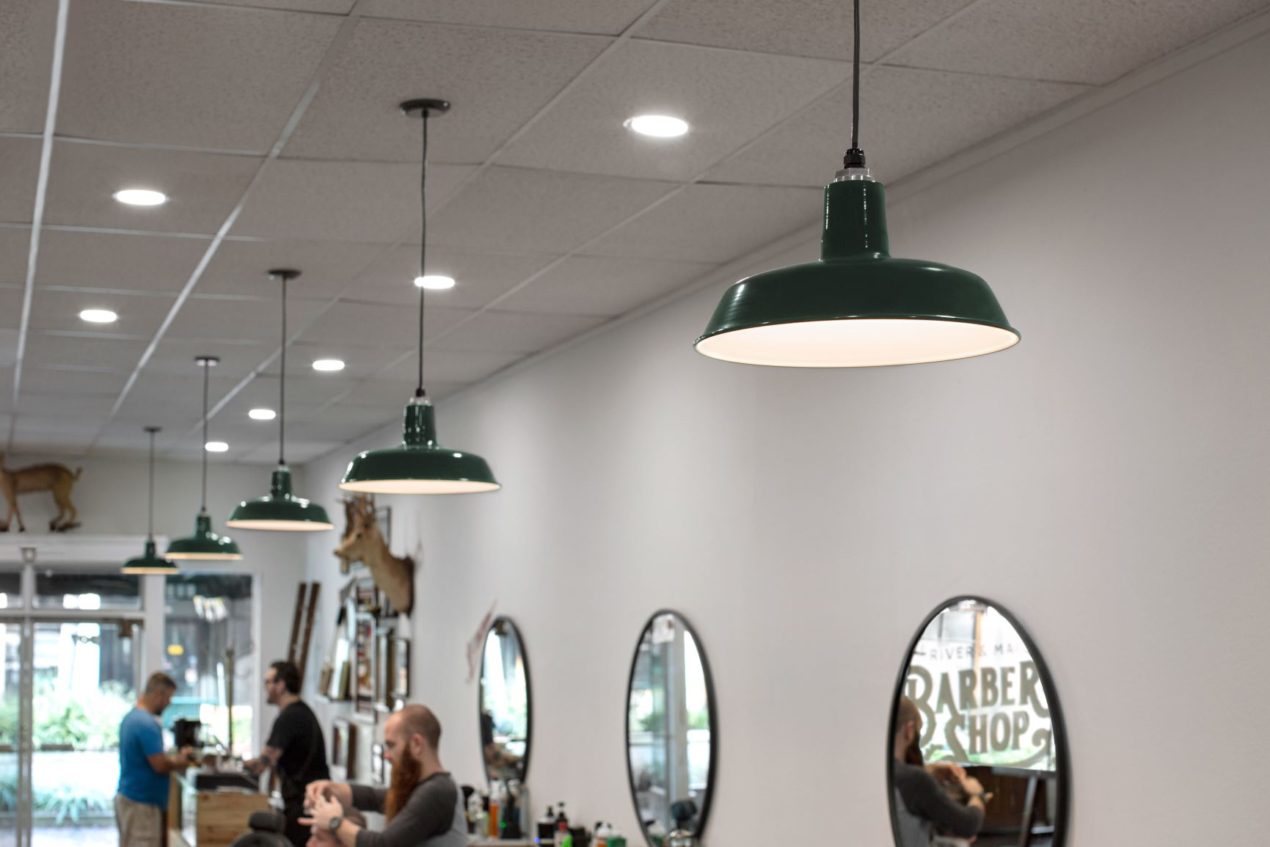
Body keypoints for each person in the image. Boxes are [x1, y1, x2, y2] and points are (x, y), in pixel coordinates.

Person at [302, 704, 466, 847]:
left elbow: (384, 844)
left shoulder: (437, 792)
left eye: (391, 745)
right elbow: (375, 797)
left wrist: (335, 822)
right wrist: (332, 789)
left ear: (416, 744)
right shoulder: (423, 788)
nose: (386, 755)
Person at [246, 660, 331, 847]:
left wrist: (239, 765)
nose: (265, 687)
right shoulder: (300, 712)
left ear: (281, 684)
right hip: (307, 801)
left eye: (268, 682)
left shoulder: (290, 717)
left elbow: (263, 764)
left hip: (303, 803)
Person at [891, 695, 988, 847]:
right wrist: (978, 795)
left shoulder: (875, 774)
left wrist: (929, 771)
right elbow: (968, 824)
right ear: (909, 731)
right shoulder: (914, 780)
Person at [116, 671, 198, 847]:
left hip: (134, 800)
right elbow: (159, 765)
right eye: (169, 697)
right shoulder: (146, 724)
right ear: (159, 694)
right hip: (141, 805)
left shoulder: (132, 718)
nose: (169, 703)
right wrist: (181, 761)